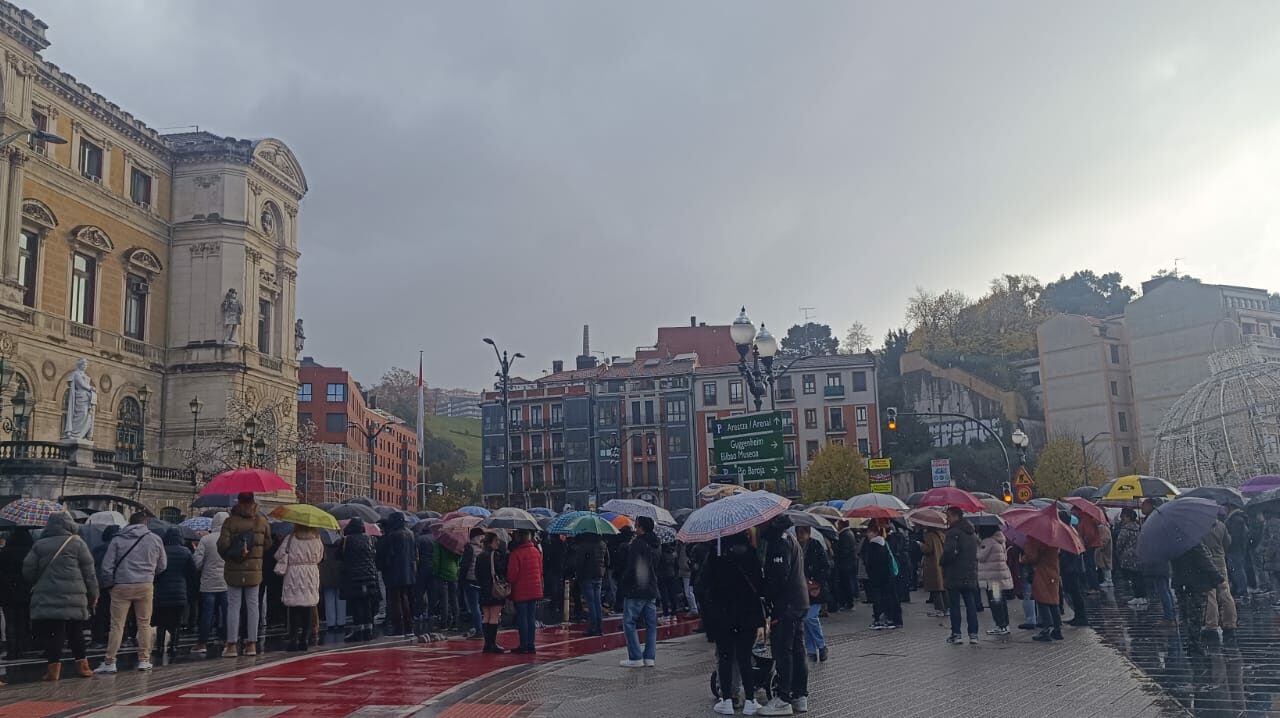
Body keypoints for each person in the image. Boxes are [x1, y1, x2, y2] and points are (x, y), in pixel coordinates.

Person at [23, 511, 97, 681]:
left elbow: (28, 570)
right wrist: (93, 595)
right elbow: (90, 573)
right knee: (75, 632)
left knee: (54, 633)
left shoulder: (39, 545)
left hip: (47, 596)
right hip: (75, 597)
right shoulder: (78, 543)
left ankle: (53, 670)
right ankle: (83, 667)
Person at [698, 531, 765, 716]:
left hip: (723, 615)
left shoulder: (716, 555)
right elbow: (760, 585)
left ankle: (727, 699)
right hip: (748, 615)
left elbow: (701, 586)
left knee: (725, 657)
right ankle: (750, 700)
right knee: (745, 657)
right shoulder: (751, 555)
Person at [97, 512, 166, 673]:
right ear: (146, 523)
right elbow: (162, 565)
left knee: (117, 625)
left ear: (129, 522)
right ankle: (144, 659)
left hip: (121, 585)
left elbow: (107, 567)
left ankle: (110, 661)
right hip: (145, 585)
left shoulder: (118, 539)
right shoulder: (155, 539)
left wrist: (110, 585)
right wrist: (149, 574)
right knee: (144, 623)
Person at [759, 514, 809, 716]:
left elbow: (779, 575)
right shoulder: (789, 538)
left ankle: (783, 698)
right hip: (798, 600)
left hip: (786, 604)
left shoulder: (779, 542)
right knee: (797, 650)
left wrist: (764, 590)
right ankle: (799, 695)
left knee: (783, 650)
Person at [217, 493, 271, 657]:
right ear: (253, 502)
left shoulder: (230, 521)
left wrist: (232, 556)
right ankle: (251, 644)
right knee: (253, 606)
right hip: (254, 570)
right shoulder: (261, 521)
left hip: (234, 569)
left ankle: (232, 644)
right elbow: (268, 544)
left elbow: (222, 546)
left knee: (233, 606)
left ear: (238, 502)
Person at [618, 515, 660, 668]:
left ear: (641, 527)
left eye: (637, 526)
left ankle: (635, 656)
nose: (635, 528)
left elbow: (632, 566)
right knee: (651, 624)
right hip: (651, 587)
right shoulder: (656, 544)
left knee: (629, 622)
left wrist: (624, 582)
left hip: (637, 587)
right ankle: (650, 657)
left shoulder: (638, 544)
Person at [277, 524, 324, 651]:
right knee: (308, 607)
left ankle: (293, 639)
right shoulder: (316, 538)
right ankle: (305, 638)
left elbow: (280, 554)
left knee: (294, 608)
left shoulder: (291, 538)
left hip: (293, 573)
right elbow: (320, 557)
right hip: (310, 573)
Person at [1170, 542, 1222, 656]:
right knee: (1196, 614)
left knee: (1184, 613)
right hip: (1196, 583)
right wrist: (1217, 576)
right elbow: (1205, 562)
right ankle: (1194, 642)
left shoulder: (1172, 544)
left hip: (1180, 582)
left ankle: (1188, 639)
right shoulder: (1194, 543)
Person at [152, 527, 195, 659]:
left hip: (161, 592)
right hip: (179, 592)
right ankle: (174, 646)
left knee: (161, 623)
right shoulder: (186, 552)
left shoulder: (162, 550)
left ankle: (159, 647)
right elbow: (192, 572)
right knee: (176, 622)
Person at [940, 507, 980, 644]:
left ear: (956, 516)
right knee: (970, 604)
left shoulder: (953, 533)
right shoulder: (971, 533)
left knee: (955, 605)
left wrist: (942, 562)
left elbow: (948, 553)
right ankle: (974, 634)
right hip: (970, 573)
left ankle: (956, 634)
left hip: (955, 574)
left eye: (949, 516)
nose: (947, 519)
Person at [193, 512, 229, 653]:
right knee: (227, 613)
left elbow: (197, 562)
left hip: (208, 583)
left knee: (207, 613)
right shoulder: (230, 539)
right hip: (226, 582)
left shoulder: (206, 540)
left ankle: (202, 643)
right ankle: (227, 641)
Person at [377, 511, 417, 638]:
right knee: (404, 599)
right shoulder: (410, 534)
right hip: (408, 572)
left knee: (395, 600)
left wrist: (383, 567)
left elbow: (387, 556)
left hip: (394, 571)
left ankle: (398, 628)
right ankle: (408, 626)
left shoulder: (392, 536)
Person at [340, 517, 380, 642]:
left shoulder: (347, 540)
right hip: (369, 576)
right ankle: (368, 630)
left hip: (354, 577)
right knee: (367, 603)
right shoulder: (370, 539)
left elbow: (339, 555)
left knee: (356, 604)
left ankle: (358, 631)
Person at [506, 528, 544, 654]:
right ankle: (531, 643)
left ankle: (523, 644)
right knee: (531, 617)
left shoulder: (516, 554)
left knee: (522, 618)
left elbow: (512, 576)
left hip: (521, 589)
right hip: (535, 588)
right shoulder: (535, 551)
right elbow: (540, 570)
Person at [1201, 516, 1238, 644]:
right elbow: (1228, 542)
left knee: (1210, 594)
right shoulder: (1221, 525)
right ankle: (1230, 623)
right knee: (1225, 592)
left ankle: (1211, 625)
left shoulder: (1200, 526)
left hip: (1207, 561)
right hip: (1221, 562)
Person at [0, 527, 34, 659]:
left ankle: (11, 650)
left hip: (8, 591)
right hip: (25, 590)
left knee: (10, 622)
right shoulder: (30, 552)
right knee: (24, 620)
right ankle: (23, 648)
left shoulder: (4, 553)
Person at [796, 525, 829, 662]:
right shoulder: (795, 546)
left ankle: (821, 645)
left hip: (815, 588)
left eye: (804, 532)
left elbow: (825, 566)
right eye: (799, 533)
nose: (801, 535)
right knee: (806, 620)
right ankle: (811, 649)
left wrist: (817, 581)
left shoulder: (816, 546)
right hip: (800, 588)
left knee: (811, 617)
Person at [1023, 536, 1062, 642]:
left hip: (1043, 573)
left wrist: (1026, 550)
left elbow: (1032, 557)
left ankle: (1046, 630)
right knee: (1053, 601)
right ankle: (1057, 629)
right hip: (1053, 571)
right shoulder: (1054, 538)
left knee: (1042, 600)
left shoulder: (1038, 539)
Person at [474, 532, 508, 653]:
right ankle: (492, 643)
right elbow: (501, 570)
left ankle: (486, 644)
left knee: (486, 616)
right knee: (494, 616)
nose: (498, 543)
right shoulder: (495, 555)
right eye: (496, 541)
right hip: (494, 589)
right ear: (492, 542)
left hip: (483, 588)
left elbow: (476, 573)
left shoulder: (480, 556)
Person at [977, 525, 1014, 635]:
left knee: (995, 602)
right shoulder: (1000, 540)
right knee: (1001, 601)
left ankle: (1000, 625)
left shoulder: (988, 541)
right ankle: (1005, 625)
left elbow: (981, 557)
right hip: (999, 578)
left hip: (993, 580)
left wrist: (977, 546)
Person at [863, 524, 901, 629]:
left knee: (878, 598)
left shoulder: (874, 546)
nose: (867, 534)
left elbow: (871, 563)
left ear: (875, 533)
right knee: (887, 597)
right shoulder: (884, 543)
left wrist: (870, 572)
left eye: (869, 532)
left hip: (877, 577)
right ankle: (889, 619)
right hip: (886, 576)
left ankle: (879, 620)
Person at [89, 524, 121, 648]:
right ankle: (119, 638)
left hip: (101, 583)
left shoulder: (98, 549)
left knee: (101, 612)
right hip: (117, 583)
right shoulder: (120, 548)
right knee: (118, 613)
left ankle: (98, 638)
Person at [577, 531, 609, 636]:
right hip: (599, 574)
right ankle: (599, 626)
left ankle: (593, 627)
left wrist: (578, 574)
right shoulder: (603, 544)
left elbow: (580, 562)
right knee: (597, 602)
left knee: (591, 603)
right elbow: (608, 560)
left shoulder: (585, 545)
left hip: (587, 575)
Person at [458, 527, 486, 640]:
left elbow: (465, 565)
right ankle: (481, 628)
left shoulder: (470, 548)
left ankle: (478, 630)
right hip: (481, 580)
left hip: (470, 579)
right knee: (479, 606)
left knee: (474, 606)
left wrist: (461, 578)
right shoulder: (483, 548)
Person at [1114, 509, 1146, 606]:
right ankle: (1142, 597)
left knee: (1134, 578)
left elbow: (1120, 543)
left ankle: (1137, 596)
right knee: (1139, 577)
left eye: (1123, 516)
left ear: (1128, 517)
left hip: (1129, 557)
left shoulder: (1125, 529)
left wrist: (1119, 554)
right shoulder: (1139, 528)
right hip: (1140, 555)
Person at [432, 537, 461, 631]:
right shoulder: (455, 542)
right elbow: (459, 557)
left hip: (442, 574)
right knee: (454, 599)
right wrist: (456, 569)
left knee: (444, 600)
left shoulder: (439, 543)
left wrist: (435, 572)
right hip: (454, 572)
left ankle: (444, 623)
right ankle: (456, 622)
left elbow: (436, 559)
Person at [918, 525, 946, 617]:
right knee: (942, 588)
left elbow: (928, 549)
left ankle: (939, 609)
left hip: (932, 565)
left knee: (935, 588)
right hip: (940, 563)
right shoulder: (941, 534)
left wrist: (921, 545)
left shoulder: (930, 536)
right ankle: (946, 608)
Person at [1225, 505, 1251, 599]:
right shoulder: (1236, 519)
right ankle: (1238, 588)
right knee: (1236, 568)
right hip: (1236, 548)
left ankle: (1242, 590)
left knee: (1237, 569)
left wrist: (1229, 542)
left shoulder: (1236, 520)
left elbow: (1235, 536)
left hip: (1235, 548)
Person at [832, 520, 859, 612]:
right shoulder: (848, 533)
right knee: (846, 584)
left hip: (846, 564)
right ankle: (847, 602)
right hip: (848, 564)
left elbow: (844, 551)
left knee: (846, 584)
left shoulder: (845, 535)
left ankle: (848, 603)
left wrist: (836, 551)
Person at [1260, 510, 1280, 607]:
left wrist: (1268, 554)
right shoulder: (1275, 522)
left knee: (1276, 577)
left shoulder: (1272, 523)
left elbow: (1274, 540)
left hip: (1275, 556)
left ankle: (1278, 598)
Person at [657, 540, 680, 621]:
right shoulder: (673, 554)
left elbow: (657, 565)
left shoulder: (661, 555)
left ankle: (666, 613)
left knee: (664, 595)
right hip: (672, 575)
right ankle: (674, 613)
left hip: (662, 576)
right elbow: (676, 565)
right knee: (672, 594)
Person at [676, 541, 700, 617]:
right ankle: (693, 608)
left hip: (686, 572)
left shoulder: (686, 548)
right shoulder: (683, 547)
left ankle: (694, 609)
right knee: (688, 592)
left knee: (688, 592)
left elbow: (685, 561)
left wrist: (686, 566)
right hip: (685, 572)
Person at [1095, 518, 1114, 588]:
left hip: (1104, 550)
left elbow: (1105, 539)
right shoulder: (1105, 527)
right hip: (1105, 549)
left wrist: (1100, 546)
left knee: (1106, 565)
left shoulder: (1102, 528)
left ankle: (1108, 580)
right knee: (1105, 565)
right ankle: (1108, 580)